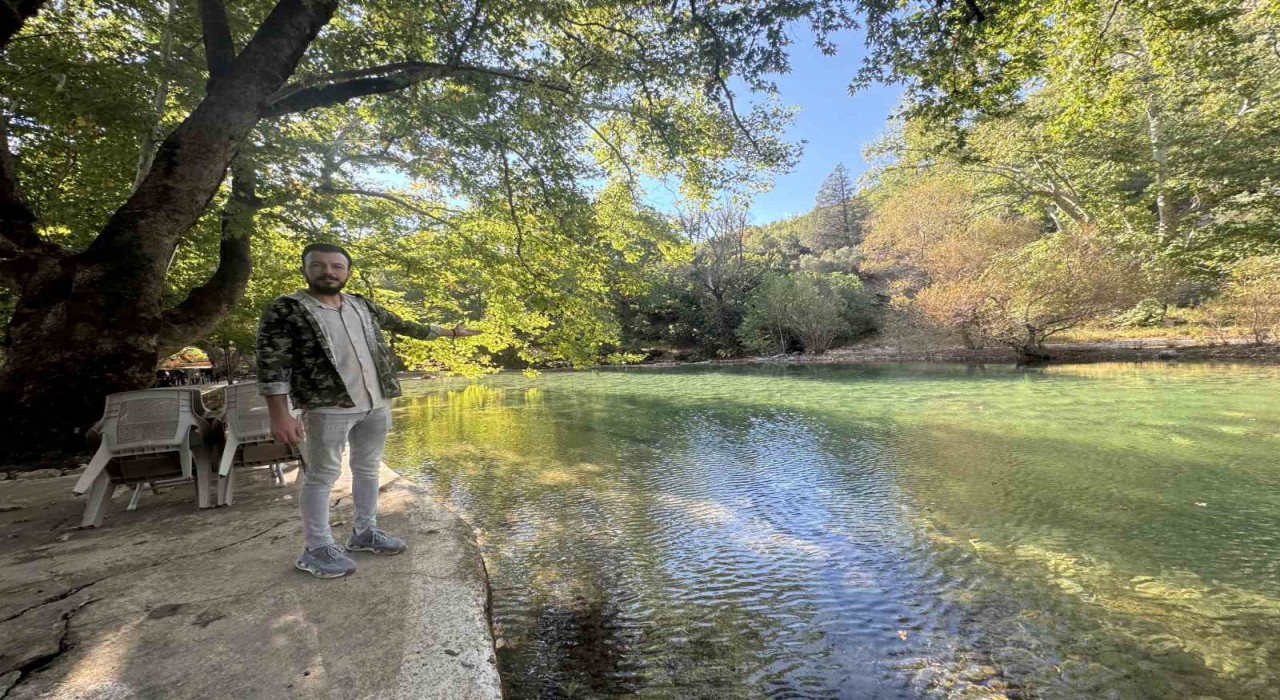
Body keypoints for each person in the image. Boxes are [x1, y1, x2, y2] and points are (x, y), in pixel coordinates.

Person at [256, 243, 480, 578]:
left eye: (337, 266)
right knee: (321, 475)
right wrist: (279, 413)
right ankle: (315, 548)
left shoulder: (362, 305)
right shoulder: (287, 308)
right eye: (319, 266)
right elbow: (271, 361)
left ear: (347, 271)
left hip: (375, 402)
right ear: (305, 269)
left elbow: (405, 325)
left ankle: (364, 533)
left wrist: (450, 332)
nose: (329, 272)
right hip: (327, 405)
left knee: (367, 468)